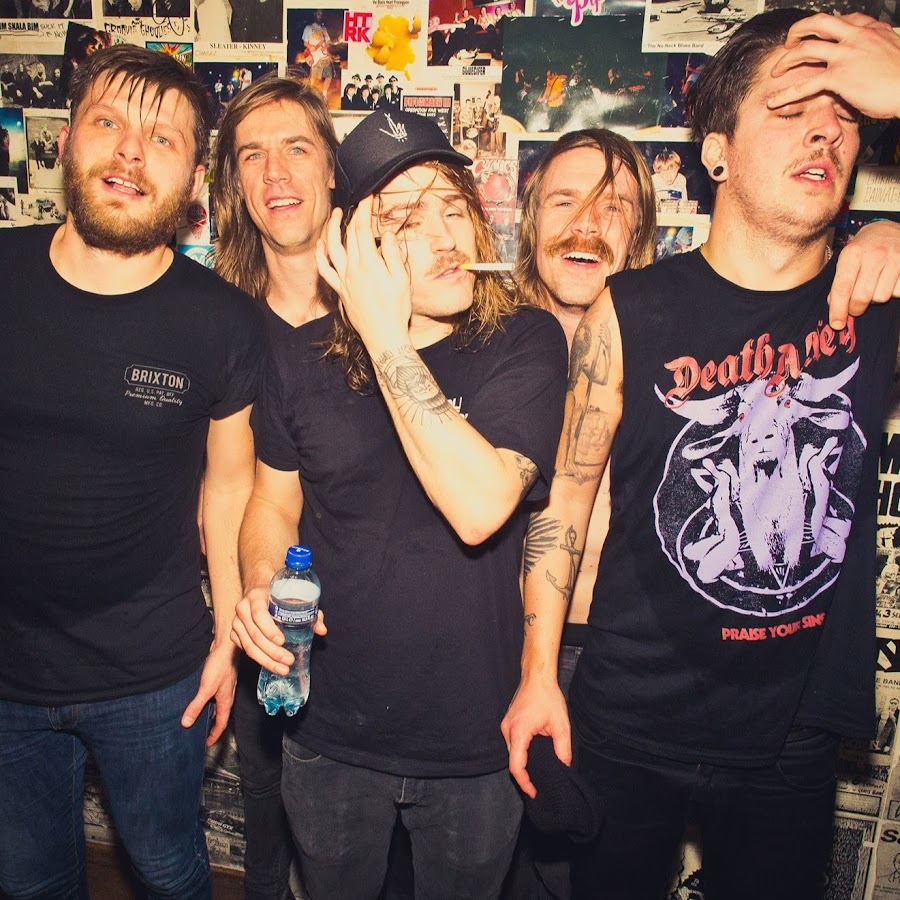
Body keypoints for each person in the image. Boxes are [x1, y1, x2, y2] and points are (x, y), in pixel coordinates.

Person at [502, 10, 900, 900]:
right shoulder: (628, 309)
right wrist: (537, 678)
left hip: (790, 734)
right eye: (792, 107)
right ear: (716, 151)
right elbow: (565, 506)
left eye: (848, 113)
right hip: (626, 716)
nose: (827, 131)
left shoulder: (876, 300)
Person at [231, 107, 567, 900]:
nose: (446, 236)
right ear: (353, 246)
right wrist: (260, 584)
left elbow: (480, 507)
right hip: (328, 732)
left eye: (453, 207)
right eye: (407, 219)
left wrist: (384, 336)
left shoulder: (525, 341)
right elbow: (271, 504)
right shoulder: (301, 361)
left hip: (474, 741)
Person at [0, 44, 266, 899]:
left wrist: (227, 638)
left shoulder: (224, 323)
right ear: (67, 138)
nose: (128, 152)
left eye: (162, 138)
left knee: (167, 870)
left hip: (153, 676)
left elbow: (228, 487)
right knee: (28, 880)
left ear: (194, 182)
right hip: (5, 675)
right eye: (108, 122)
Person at [212, 73, 339, 900]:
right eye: (252, 155)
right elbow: (222, 488)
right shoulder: (218, 318)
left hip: (371, 628)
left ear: (331, 166)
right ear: (234, 182)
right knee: (267, 818)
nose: (276, 174)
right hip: (261, 617)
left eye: (296, 148)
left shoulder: (391, 308)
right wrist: (231, 626)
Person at [302, 10, 335, 101]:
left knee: (329, 76)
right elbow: (305, 43)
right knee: (314, 78)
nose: (320, 16)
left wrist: (326, 47)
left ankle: (324, 94)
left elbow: (328, 42)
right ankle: (310, 95)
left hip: (324, 56)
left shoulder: (323, 29)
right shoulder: (308, 28)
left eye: (321, 14)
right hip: (314, 57)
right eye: (318, 14)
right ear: (314, 14)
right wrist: (311, 46)